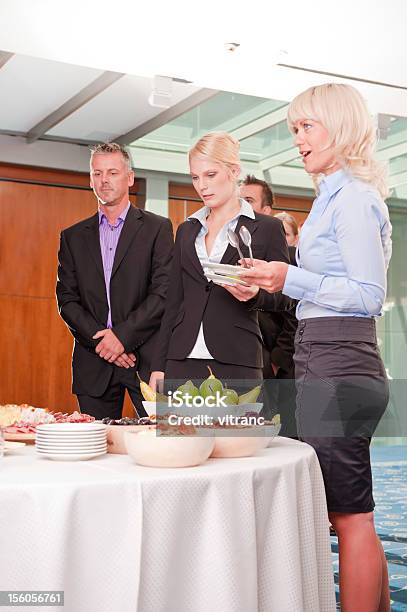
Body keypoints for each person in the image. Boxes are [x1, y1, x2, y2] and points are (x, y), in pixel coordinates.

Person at [240, 83, 392, 611]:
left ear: (340, 126)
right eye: (294, 130)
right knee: (349, 511)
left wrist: (290, 278)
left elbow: (369, 295)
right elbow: (323, 286)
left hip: (341, 359)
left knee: (350, 515)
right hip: (323, 355)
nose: (298, 140)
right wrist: (271, 280)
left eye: (307, 127)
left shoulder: (352, 198)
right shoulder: (331, 197)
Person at [149, 132, 290, 391]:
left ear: (233, 170)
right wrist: (159, 364)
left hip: (237, 358)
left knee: (234, 433)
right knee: (181, 433)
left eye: (210, 175)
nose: (202, 185)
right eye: (195, 177)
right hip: (181, 360)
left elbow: (285, 295)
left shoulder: (267, 228)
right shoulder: (187, 229)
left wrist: (256, 294)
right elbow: (173, 302)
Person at [56, 142, 173, 419]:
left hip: (145, 360)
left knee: (161, 446)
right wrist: (104, 344)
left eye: (112, 172)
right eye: (97, 173)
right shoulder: (72, 237)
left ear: (129, 178)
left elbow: (164, 293)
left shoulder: (157, 228)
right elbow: (67, 301)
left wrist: (121, 337)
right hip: (93, 362)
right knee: (94, 448)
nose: (104, 180)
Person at [240, 176, 298, 435]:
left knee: (284, 437)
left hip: (279, 368)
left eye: (249, 201)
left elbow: (295, 311)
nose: (243, 206)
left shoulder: (291, 259)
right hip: (246, 365)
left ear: (266, 212)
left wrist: (276, 361)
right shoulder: (237, 251)